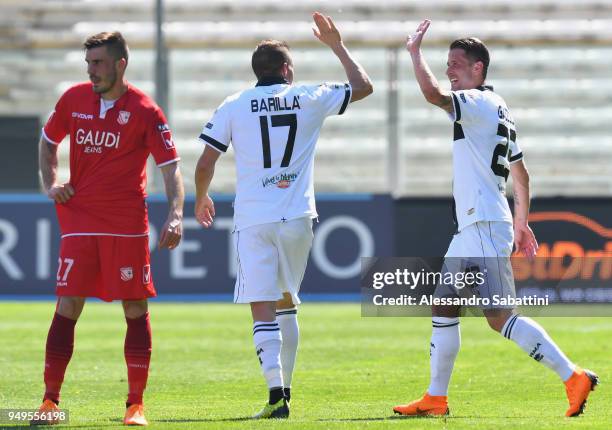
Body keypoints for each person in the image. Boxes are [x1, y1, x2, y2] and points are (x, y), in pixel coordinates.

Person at [393, 20, 598, 417]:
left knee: (500, 316)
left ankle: (573, 376)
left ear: (478, 70)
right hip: (480, 224)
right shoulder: (497, 107)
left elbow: (432, 94)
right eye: (446, 62)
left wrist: (415, 54)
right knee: (444, 306)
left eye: (456, 63)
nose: (450, 69)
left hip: (484, 225)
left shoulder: (478, 103)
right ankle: (436, 398)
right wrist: (521, 222)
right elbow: (520, 173)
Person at [194, 12, 372, 419]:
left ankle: (276, 395)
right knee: (287, 300)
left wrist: (202, 197)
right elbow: (364, 86)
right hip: (297, 217)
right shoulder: (309, 95)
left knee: (261, 304)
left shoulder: (234, 104)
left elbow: (206, 161)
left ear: (256, 72)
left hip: (255, 217)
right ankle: (286, 389)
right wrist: (336, 45)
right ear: (287, 69)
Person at [34, 31, 184, 426]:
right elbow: (48, 141)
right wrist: (50, 183)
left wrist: (176, 212)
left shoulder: (146, 111)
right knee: (68, 304)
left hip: (126, 222)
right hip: (79, 217)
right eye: (88, 64)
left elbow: (170, 168)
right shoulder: (73, 99)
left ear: (121, 64)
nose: (91, 71)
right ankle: (50, 404)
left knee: (134, 306)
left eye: (98, 63)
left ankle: (135, 406)